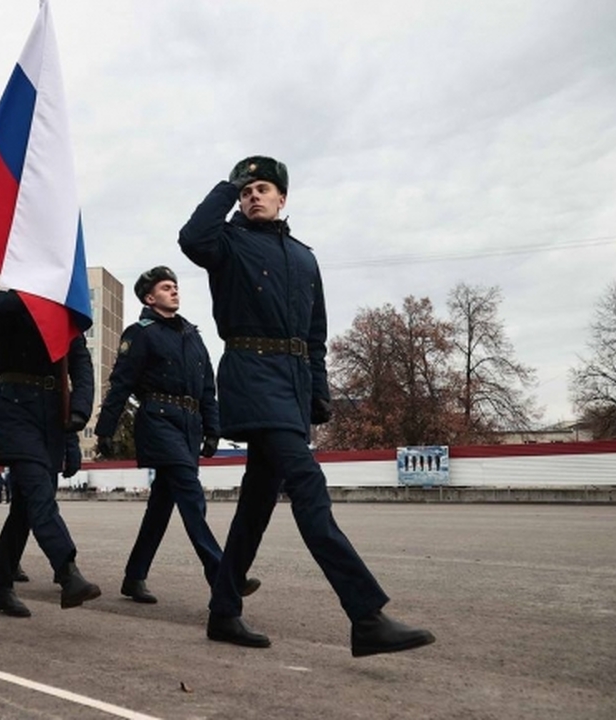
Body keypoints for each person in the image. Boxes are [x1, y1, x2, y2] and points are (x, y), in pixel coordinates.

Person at [178, 155, 435, 656]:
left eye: (262, 188)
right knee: (309, 487)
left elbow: (315, 334)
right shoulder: (227, 243)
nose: (253, 195)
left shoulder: (303, 258)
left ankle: (223, 611)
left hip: (292, 386)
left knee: (256, 504)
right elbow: (191, 239)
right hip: (253, 376)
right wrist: (225, 189)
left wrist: (319, 392)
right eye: (246, 190)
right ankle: (365, 614)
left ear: (283, 198)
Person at [95, 267, 259, 604]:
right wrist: (105, 429)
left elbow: (207, 388)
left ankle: (134, 577)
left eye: (175, 286)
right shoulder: (140, 334)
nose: (174, 291)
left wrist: (213, 430)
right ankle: (223, 574)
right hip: (158, 421)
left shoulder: (192, 335)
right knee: (190, 494)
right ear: (149, 298)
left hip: (189, 426)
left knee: (161, 506)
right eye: (166, 288)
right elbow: (121, 383)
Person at [0, 289, 102, 619]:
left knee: (24, 509)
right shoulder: (6, 304)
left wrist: (79, 413)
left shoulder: (64, 315)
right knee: (39, 496)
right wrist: (37, 296)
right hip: (15, 410)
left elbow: (81, 366)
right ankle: (68, 573)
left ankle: (2, 583)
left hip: (51, 418)